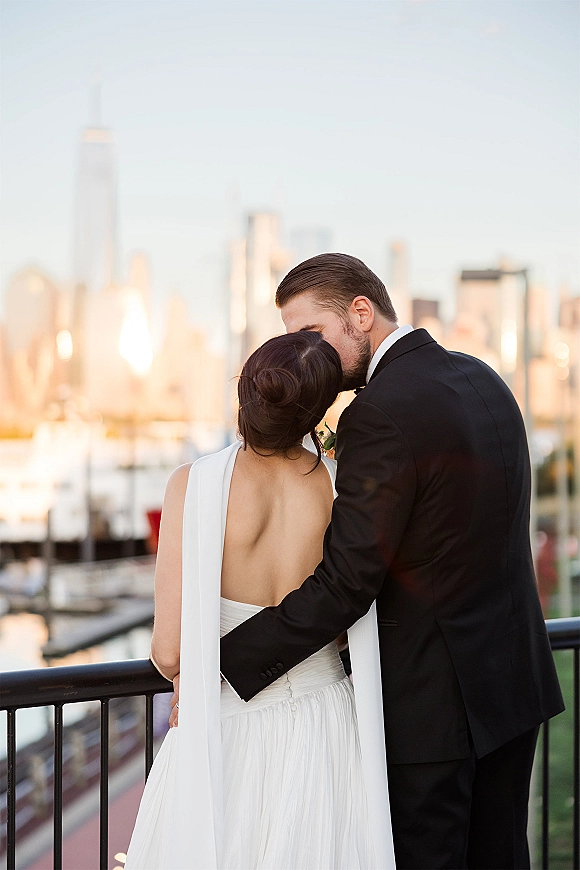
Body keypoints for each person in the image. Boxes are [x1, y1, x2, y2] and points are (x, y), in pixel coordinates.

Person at [218, 253, 565, 870]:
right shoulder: (484, 378)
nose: (307, 356)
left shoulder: (377, 413)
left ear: (360, 312)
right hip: (513, 687)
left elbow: (346, 583)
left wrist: (221, 659)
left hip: (433, 715)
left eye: (311, 335)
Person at [125, 329, 395, 870]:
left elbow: (171, 652)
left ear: (246, 394)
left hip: (226, 727)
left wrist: (188, 673)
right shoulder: (338, 488)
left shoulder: (193, 484)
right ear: (317, 409)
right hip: (327, 723)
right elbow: (343, 621)